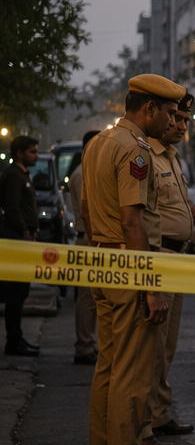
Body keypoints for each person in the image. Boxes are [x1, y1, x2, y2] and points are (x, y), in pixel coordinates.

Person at [81, 73, 181, 445]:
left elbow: (87, 212)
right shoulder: (135, 150)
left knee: (108, 366)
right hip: (130, 265)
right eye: (169, 113)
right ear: (149, 108)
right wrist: (150, 287)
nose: (172, 122)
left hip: (103, 260)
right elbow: (132, 221)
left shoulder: (98, 143)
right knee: (133, 372)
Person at [137, 93, 195, 445]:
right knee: (152, 347)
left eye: (185, 120)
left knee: (167, 346)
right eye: (175, 118)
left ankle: (159, 413)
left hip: (177, 258)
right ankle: (143, 426)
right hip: (158, 258)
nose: (180, 126)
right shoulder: (146, 155)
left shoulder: (172, 157)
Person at [1, 135, 41, 357]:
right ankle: (13, 342)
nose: (36, 155)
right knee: (16, 292)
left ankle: (17, 338)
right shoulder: (13, 175)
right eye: (32, 152)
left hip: (23, 238)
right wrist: (25, 231)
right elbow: (12, 207)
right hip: (17, 239)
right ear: (19, 153)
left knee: (21, 291)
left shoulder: (22, 174)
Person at [67, 130, 101, 364]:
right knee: (88, 299)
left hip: (92, 239)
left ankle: (89, 343)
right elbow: (87, 212)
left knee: (94, 298)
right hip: (89, 240)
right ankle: (84, 346)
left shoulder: (88, 170)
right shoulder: (83, 173)